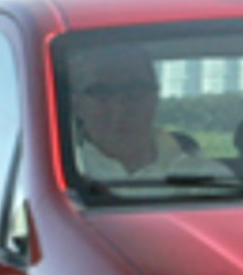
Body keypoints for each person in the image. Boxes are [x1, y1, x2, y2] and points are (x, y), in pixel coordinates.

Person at [67, 42, 223, 180]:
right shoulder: (51, 174)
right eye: (102, 93)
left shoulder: (207, 176)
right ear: (77, 104)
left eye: (134, 91)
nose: (119, 107)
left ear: (155, 98)